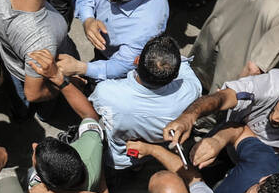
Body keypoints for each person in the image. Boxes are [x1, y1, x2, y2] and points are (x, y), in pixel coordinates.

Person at [76, 34, 201, 172]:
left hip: (117, 158)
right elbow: (186, 70)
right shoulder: (189, 92)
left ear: (136, 60)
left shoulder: (106, 92)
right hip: (151, 150)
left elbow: (91, 108)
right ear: (175, 75)